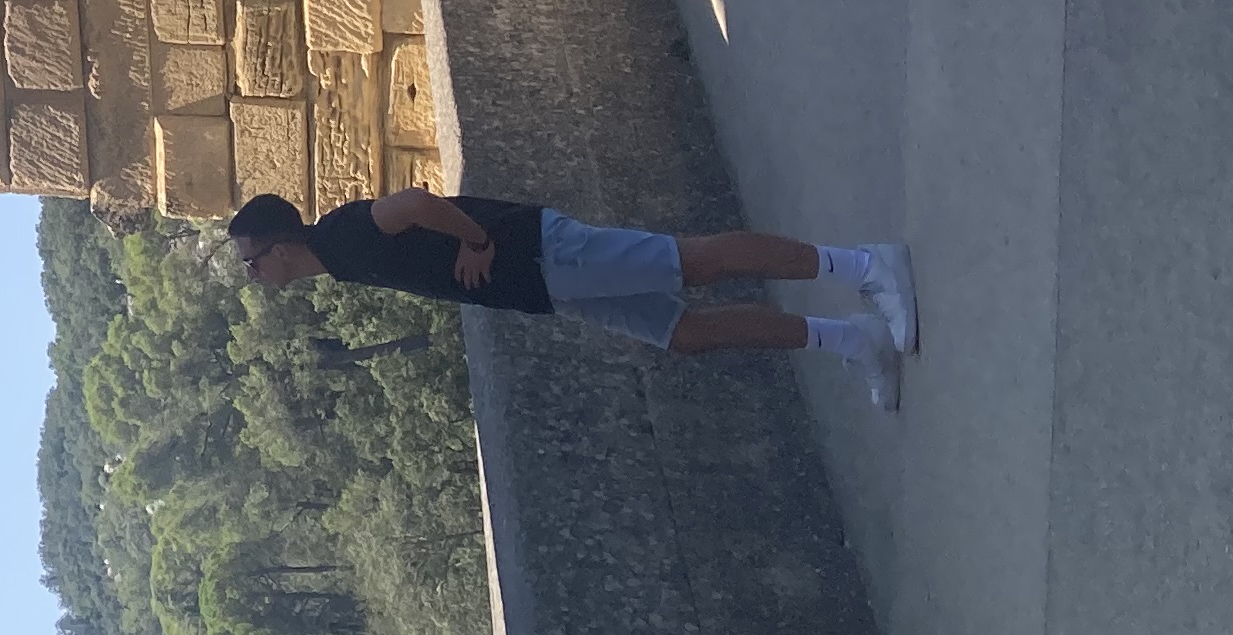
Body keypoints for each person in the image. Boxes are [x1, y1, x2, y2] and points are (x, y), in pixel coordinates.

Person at [228, 191, 916, 407]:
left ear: (278, 244)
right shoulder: (340, 264)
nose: (255, 278)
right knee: (686, 334)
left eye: (252, 263)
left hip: (543, 253)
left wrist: (475, 238)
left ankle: (862, 266)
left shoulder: (343, 234)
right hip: (544, 288)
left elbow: (411, 203)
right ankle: (853, 337)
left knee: (692, 260)